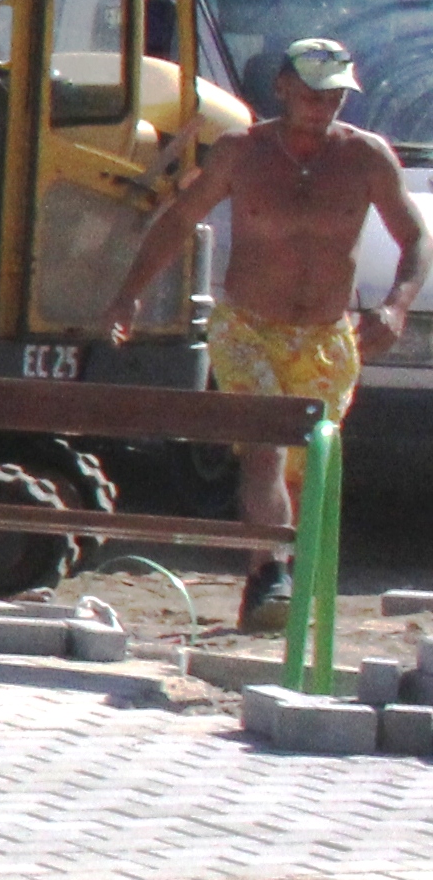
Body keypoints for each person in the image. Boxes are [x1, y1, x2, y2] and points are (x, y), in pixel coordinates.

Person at [105, 38, 428, 629]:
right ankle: (271, 570)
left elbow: (415, 237)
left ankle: (275, 582)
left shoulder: (366, 156)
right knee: (265, 446)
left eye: (334, 96)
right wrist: (129, 291)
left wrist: (396, 307)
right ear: (282, 87)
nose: (323, 106)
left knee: (306, 466)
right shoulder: (241, 151)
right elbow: (181, 218)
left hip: (326, 335)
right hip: (248, 328)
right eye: (311, 94)